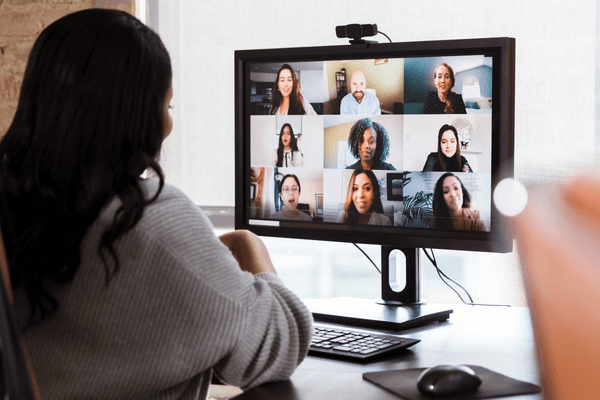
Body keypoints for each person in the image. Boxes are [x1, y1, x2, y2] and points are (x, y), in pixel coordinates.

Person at [0, 9, 312, 399]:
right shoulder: (147, 219)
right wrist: (250, 245)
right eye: (167, 106)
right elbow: (280, 345)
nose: (168, 125)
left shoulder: (15, 205)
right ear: (137, 116)